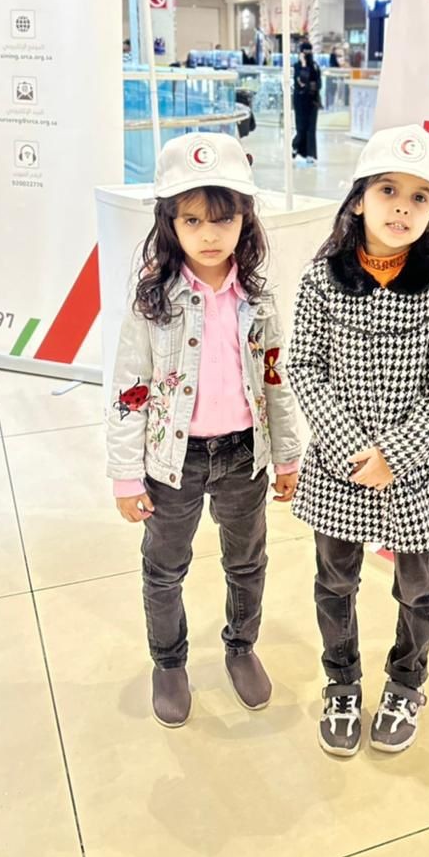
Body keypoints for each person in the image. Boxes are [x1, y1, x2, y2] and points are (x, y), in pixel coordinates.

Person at [287, 123, 429, 757]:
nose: (402, 207)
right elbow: (305, 367)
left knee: (418, 587)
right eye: (389, 190)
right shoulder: (322, 278)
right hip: (339, 465)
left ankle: (406, 680)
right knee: (335, 581)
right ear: (358, 200)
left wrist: (396, 454)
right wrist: (350, 447)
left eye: (420, 197)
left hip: (417, 469)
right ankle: (341, 681)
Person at [106, 131, 300, 729]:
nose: (209, 235)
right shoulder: (153, 300)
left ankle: (241, 647)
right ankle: (169, 662)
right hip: (174, 462)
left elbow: (276, 379)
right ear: (170, 223)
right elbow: (129, 389)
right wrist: (125, 475)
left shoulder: (258, 299)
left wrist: (288, 455)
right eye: (192, 220)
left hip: (245, 456)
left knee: (247, 561)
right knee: (165, 567)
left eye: (223, 219)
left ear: (245, 219)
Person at [292, 39, 322, 165]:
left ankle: (310, 154)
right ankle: (295, 146)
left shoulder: (315, 66)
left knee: (311, 128)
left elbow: (318, 84)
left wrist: (308, 85)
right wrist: (304, 66)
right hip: (300, 101)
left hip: (312, 101)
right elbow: (301, 82)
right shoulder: (297, 66)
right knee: (301, 127)